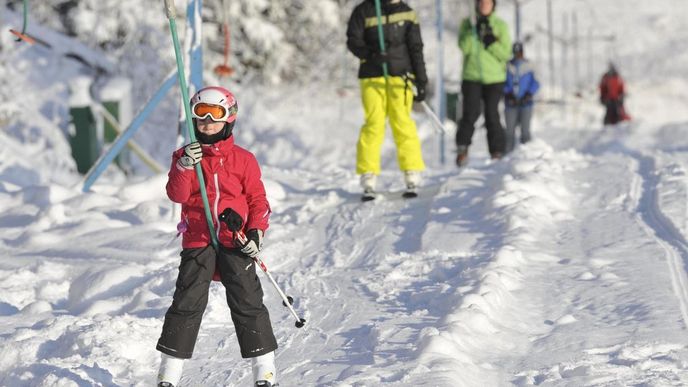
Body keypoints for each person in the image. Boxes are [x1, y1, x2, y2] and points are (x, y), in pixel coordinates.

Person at [156, 86, 278, 387]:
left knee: (247, 300)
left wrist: (255, 233)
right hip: (198, 238)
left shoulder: (243, 160)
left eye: (215, 115)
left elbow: (258, 201)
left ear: (230, 118)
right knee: (187, 301)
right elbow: (177, 194)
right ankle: (169, 373)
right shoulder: (185, 156)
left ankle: (264, 370)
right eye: (200, 115)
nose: (207, 122)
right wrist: (185, 166)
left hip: (234, 238)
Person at [346, 0, 428, 201]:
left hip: (401, 76)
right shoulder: (364, 10)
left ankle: (412, 171)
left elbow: (415, 48)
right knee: (374, 123)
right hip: (371, 76)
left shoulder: (408, 13)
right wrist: (371, 55)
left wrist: (422, 79)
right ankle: (368, 175)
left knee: (402, 121)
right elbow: (352, 40)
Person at [456, 0, 511, 167]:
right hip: (472, 77)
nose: (483, 6)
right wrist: (474, 31)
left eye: (487, 3)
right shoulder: (468, 23)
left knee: (492, 115)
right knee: (470, 113)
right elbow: (464, 47)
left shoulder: (500, 25)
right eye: (481, 3)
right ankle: (462, 149)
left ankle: (497, 151)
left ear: (493, 5)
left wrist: (491, 41)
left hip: (494, 78)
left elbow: (505, 54)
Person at [504, 41, 540, 153]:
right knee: (509, 132)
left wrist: (529, 94)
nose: (517, 55)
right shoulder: (508, 66)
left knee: (525, 132)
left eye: (519, 52)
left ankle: (526, 154)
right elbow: (502, 82)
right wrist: (508, 94)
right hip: (511, 104)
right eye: (515, 53)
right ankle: (508, 155)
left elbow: (536, 82)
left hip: (526, 103)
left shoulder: (530, 66)